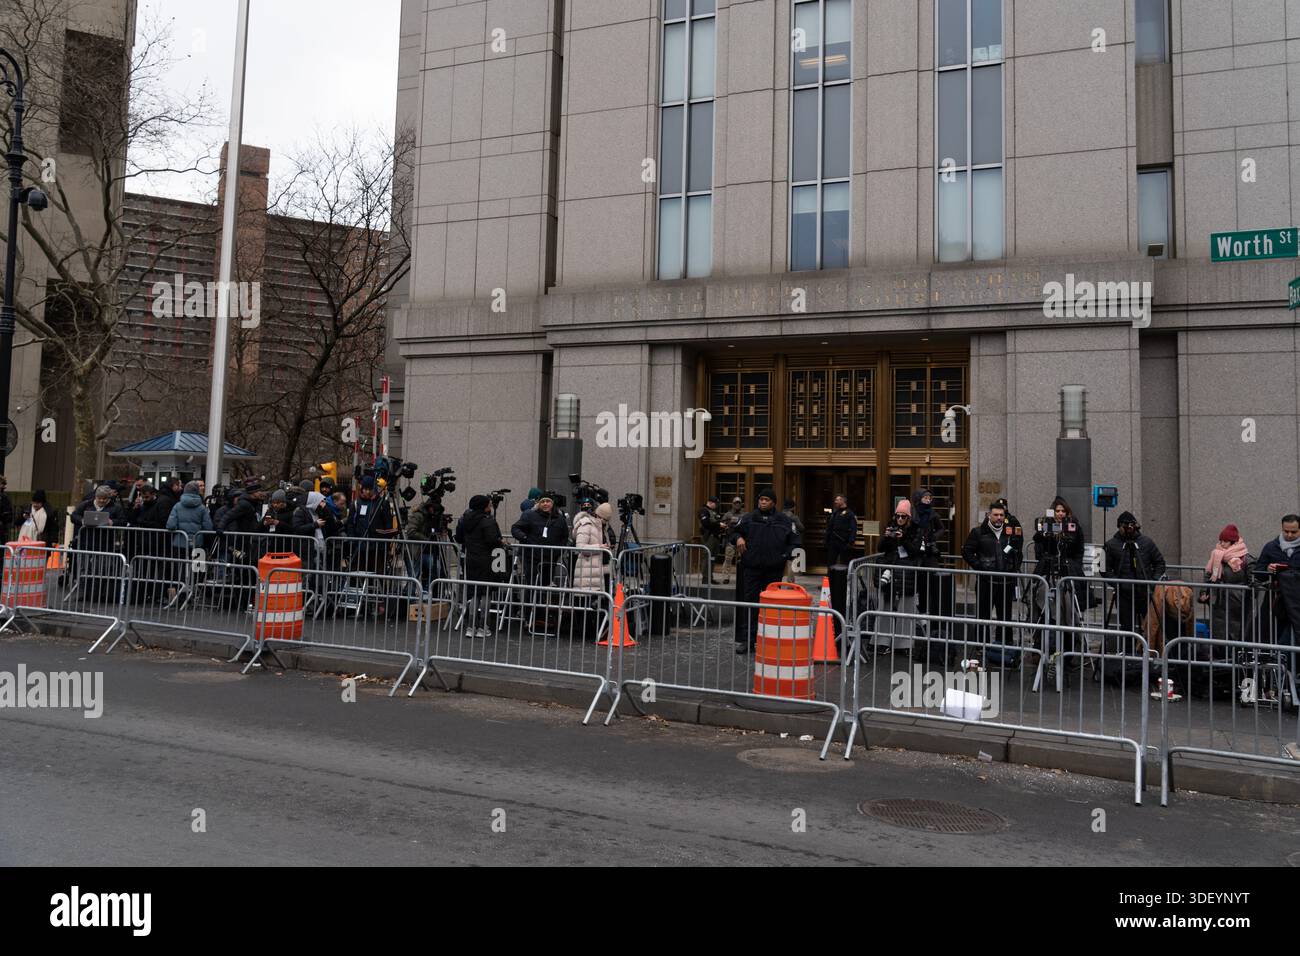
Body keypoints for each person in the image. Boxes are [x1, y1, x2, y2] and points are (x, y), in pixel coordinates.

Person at [729, 488, 796, 654]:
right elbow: (733, 532)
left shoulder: (784, 520)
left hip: (774, 570)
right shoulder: (748, 518)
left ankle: (769, 640)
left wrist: (786, 555)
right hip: (752, 568)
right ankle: (747, 640)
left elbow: (795, 541)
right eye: (761, 499)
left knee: (771, 607)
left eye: (766, 500)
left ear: (773, 502)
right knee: (750, 603)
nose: (763, 502)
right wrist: (738, 538)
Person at [962, 502, 1023, 658]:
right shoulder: (978, 532)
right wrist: (979, 566)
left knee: (1005, 617)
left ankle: (1004, 647)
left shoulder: (1010, 533)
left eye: (1001, 515)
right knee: (983, 616)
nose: (999, 518)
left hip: (1006, 582)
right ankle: (981, 647)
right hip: (986, 582)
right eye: (995, 514)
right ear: (989, 515)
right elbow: (967, 551)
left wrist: (1014, 566)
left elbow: (1018, 553)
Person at [872, 498, 924, 654]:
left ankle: (904, 644)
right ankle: (882, 641)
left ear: (909, 517)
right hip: (889, 571)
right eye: (898, 516)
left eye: (903, 516)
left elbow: (915, 552)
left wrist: (903, 538)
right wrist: (887, 537)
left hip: (906, 573)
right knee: (884, 606)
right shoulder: (891, 526)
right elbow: (880, 547)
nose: (900, 519)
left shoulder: (916, 530)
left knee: (906, 608)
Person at [1103, 510, 1167, 638]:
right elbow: (1102, 567)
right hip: (1124, 595)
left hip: (1145, 593)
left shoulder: (1146, 542)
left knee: (1152, 627)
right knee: (1127, 629)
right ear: (1119, 526)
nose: (1128, 529)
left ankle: (1150, 654)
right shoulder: (1110, 545)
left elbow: (1160, 563)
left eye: (1131, 526)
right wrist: (1117, 583)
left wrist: (1152, 582)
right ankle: (1128, 654)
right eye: (1124, 526)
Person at [1254, 514, 1300, 679]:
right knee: (1275, 642)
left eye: (1293, 532)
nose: (1289, 535)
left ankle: (1289, 679)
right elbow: (1258, 572)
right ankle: (1279, 681)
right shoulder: (1271, 547)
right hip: (1275, 606)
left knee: (1287, 644)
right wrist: (1268, 569)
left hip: (1296, 605)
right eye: (1286, 531)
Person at [455, 494, 504, 638]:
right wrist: (500, 542)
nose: (490, 506)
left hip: (471, 559)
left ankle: (470, 626)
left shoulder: (464, 519)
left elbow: (459, 538)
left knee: (474, 593)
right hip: (487, 560)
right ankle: (483, 626)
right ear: (484, 506)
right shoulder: (487, 521)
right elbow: (493, 541)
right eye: (488, 504)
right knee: (486, 593)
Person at [572, 500, 615, 640]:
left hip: (600, 570)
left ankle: (596, 631)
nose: (604, 522)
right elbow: (580, 547)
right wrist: (599, 547)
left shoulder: (602, 527)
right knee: (586, 603)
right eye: (604, 519)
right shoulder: (587, 525)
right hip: (587, 569)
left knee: (598, 603)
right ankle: (586, 632)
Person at [510, 491, 570, 585]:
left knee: (545, 584)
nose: (545, 504)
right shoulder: (530, 515)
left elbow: (565, 536)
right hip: (532, 557)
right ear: (539, 504)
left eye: (548, 501)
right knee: (532, 584)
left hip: (550, 558)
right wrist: (524, 537)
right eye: (542, 501)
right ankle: (530, 600)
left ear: (552, 503)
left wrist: (558, 551)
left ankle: (542, 599)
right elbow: (515, 528)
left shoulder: (560, 519)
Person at [824, 494, 857, 568]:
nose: (835, 502)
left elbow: (853, 528)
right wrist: (826, 539)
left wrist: (851, 541)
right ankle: (830, 579)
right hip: (833, 542)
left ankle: (843, 579)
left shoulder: (850, 513)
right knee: (830, 562)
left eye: (837, 500)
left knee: (844, 564)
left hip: (844, 542)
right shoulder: (835, 513)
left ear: (842, 501)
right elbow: (830, 527)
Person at [718, 496, 745, 585]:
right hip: (730, 539)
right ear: (732, 504)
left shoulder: (745, 514)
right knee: (728, 559)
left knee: (743, 559)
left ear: (741, 504)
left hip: (741, 539)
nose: (737, 504)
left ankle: (743, 576)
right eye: (735, 503)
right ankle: (726, 577)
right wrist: (727, 524)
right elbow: (721, 524)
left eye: (739, 503)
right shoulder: (728, 514)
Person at [781, 498, 805, 582]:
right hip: (792, 542)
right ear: (792, 507)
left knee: (780, 562)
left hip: (781, 541)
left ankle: (778, 581)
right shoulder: (794, 517)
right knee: (791, 562)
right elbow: (802, 528)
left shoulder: (779, 516)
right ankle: (790, 582)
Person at [698, 496, 724, 564]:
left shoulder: (714, 512)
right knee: (707, 555)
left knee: (713, 557)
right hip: (708, 536)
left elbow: (717, 521)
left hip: (716, 536)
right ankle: (706, 574)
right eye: (716, 504)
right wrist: (719, 525)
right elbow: (706, 523)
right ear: (710, 502)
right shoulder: (703, 510)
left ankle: (710, 573)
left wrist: (722, 525)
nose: (717, 505)